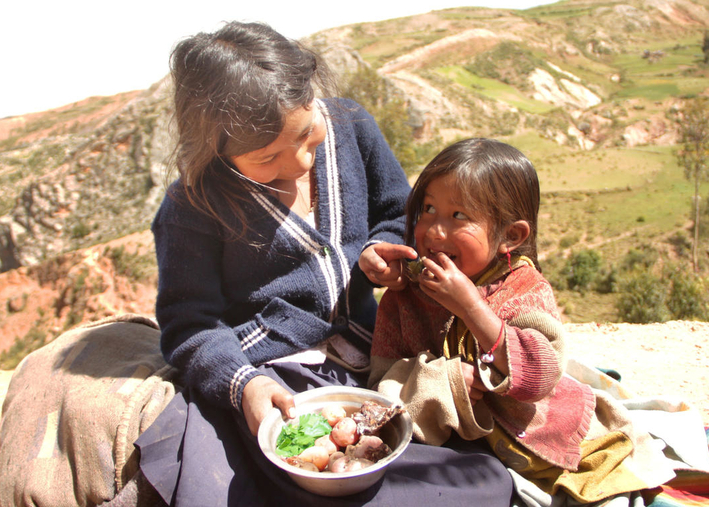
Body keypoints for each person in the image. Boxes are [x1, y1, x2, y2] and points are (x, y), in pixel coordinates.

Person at [132, 23, 514, 506]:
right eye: (268, 156)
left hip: (373, 359)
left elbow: (398, 212)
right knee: (286, 476)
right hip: (272, 372)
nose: (299, 163)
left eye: (307, 134)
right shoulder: (193, 206)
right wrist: (243, 385)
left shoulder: (351, 127)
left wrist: (380, 251)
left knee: (482, 480)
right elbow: (190, 326)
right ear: (217, 151)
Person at [369, 138, 675, 503]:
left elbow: (541, 376)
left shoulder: (524, 289)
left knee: (605, 491)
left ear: (510, 237)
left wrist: (470, 307)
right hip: (463, 452)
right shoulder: (404, 297)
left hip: (548, 439)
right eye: (429, 208)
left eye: (459, 216)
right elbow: (381, 384)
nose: (434, 230)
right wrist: (443, 382)